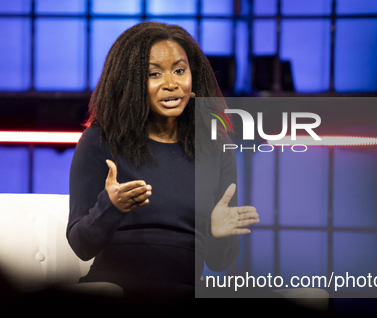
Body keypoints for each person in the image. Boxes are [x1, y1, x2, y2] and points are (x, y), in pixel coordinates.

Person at [66, 22, 259, 298]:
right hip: (114, 293)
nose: (172, 84)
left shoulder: (216, 149)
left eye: (180, 71)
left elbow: (219, 262)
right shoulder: (99, 141)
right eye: (155, 74)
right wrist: (111, 206)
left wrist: (218, 234)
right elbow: (80, 246)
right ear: (132, 84)